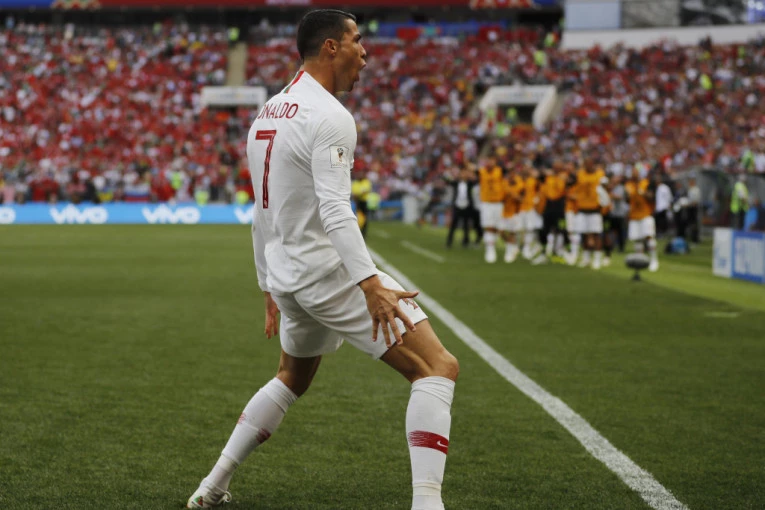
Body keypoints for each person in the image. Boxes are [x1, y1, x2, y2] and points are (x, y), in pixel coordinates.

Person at [187, 11, 459, 510]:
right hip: (326, 273)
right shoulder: (330, 115)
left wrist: (267, 286)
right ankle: (427, 503)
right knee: (436, 367)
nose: (365, 54)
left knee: (292, 377)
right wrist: (370, 284)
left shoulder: (268, 112)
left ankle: (213, 485)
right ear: (331, 47)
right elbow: (335, 209)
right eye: (357, 41)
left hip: (288, 276)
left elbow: (261, 212)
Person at [625, 167, 659, 272]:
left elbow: (652, 197)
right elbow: (627, 200)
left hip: (645, 214)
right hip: (634, 215)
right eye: (633, 173)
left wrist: (642, 192)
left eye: (636, 173)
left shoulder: (646, 183)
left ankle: (654, 260)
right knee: (637, 239)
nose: (634, 175)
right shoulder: (628, 185)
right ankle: (640, 261)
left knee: (649, 238)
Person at [575, 159, 606, 270]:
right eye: (586, 164)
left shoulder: (600, 174)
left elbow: (606, 188)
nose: (588, 166)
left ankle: (597, 259)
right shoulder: (580, 174)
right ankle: (586, 258)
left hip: (595, 209)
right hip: (582, 208)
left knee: (596, 234)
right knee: (583, 234)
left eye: (590, 164)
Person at [477, 156, 505, 263]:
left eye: (492, 160)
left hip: (498, 202)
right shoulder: (482, 171)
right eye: (488, 160)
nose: (490, 162)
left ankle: (492, 243)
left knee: (497, 227)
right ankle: (490, 249)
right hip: (487, 202)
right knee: (489, 226)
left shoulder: (500, 171)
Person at [444, 166, 477, 249]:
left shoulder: (470, 183)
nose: (463, 175)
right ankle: (449, 241)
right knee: (453, 224)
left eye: (465, 173)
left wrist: (472, 174)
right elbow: (445, 179)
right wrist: (450, 173)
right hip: (457, 205)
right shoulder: (456, 182)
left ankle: (466, 241)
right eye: (462, 173)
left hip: (467, 205)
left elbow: (477, 180)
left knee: (466, 225)